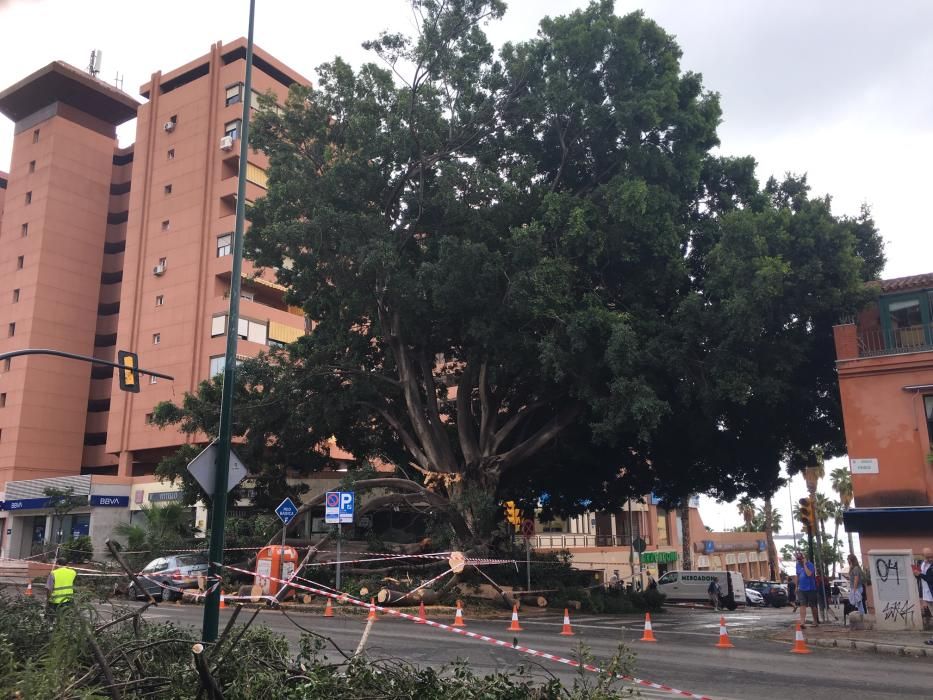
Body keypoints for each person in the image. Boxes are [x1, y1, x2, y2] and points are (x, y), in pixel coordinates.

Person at [795, 551, 819, 627]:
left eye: (801, 559)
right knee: (802, 605)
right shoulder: (798, 565)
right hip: (802, 588)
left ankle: (815, 621)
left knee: (813, 605)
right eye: (798, 559)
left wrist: (805, 564)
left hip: (810, 588)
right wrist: (796, 586)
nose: (800, 561)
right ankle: (802, 622)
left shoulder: (810, 565)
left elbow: (809, 574)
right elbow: (798, 576)